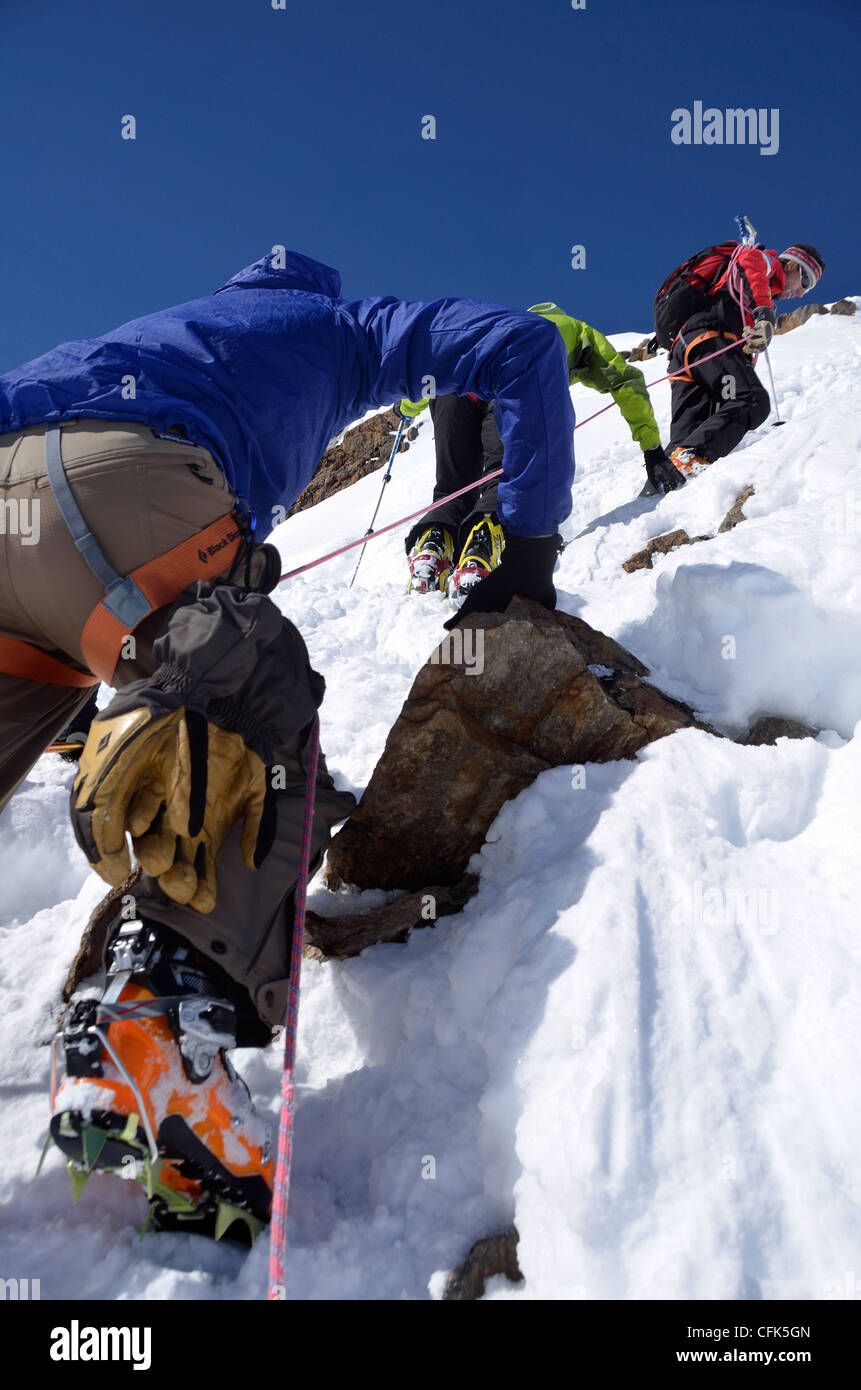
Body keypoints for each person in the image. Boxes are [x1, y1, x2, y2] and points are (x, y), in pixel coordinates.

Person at [0, 248, 575, 1237]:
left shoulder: (138, 334)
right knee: (253, 681)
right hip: (134, 503)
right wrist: (524, 550)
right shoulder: (339, 330)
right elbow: (515, 344)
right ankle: (161, 1017)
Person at [401, 303, 681, 600]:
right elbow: (625, 381)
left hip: (456, 387)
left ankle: (431, 550)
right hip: (514, 377)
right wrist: (652, 450)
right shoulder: (574, 331)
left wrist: (407, 407)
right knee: (506, 474)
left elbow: (436, 371)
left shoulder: (500, 323)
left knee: (453, 486)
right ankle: (481, 550)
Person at [653, 242, 826, 479]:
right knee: (751, 400)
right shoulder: (766, 263)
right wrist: (764, 313)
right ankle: (690, 458)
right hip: (710, 342)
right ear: (792, 264)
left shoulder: (749, 291)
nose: (800, 293)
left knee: (689, 433)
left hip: (685, 355)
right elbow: (750, 261)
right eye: (805, 282)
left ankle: (661, 485)